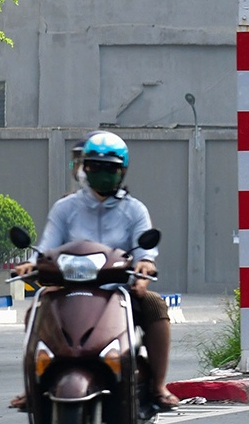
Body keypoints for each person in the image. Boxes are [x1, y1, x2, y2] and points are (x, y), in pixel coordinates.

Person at [16, 131, 179, 409]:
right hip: (68, 288)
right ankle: (33, 387)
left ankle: (158, 386)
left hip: (119, 291)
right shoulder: (65, 208)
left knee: (155, 307)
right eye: (95, 167)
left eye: (110, 169)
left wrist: (145, 265)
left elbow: (145, 252)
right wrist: (33, 263)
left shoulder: (135, 211)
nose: (102, 174)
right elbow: (46, 248)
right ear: (84, 169)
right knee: (35, 311)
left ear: (122, 171)